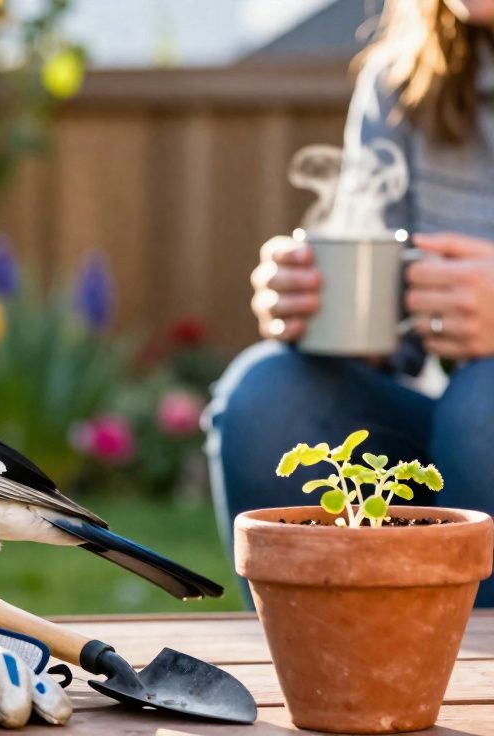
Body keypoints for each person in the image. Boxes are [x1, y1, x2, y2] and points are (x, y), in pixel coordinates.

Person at [206, 0, 494, 607]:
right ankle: (321, 670)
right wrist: (320, 306)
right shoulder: (404, 83)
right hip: (466, 453)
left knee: (481, 405)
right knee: (269, 396)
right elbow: (389, 313)